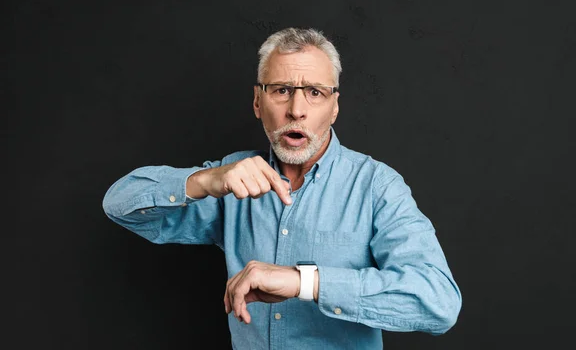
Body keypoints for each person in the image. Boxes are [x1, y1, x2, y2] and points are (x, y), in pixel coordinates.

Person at [102, 27, 462, 349]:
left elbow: (438, 303)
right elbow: (120, 205)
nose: (297, 109)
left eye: (316, 92)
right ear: (258, 101)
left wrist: (304, 282)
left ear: (334, 107)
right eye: (282, 90)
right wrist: (204, 181)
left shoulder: (376, 187)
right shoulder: (233, 179)